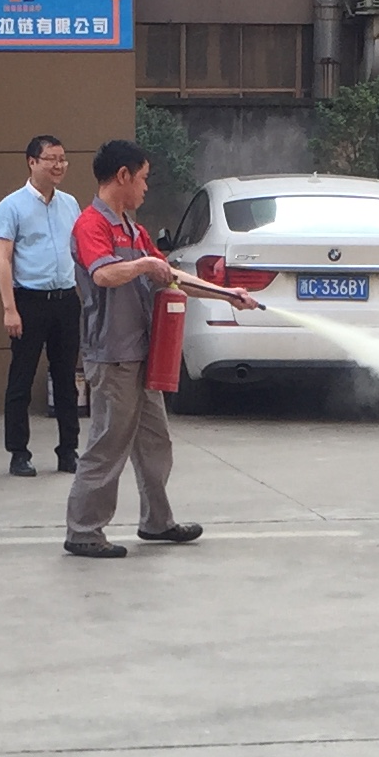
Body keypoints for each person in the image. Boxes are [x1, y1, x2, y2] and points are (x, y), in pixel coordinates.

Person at [64, 139, 244, 560]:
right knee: (108, 443)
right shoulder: (91, 225)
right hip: (112, 353)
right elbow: (104, 275)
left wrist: (227, 294)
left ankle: (157, 521)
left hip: (142, 352)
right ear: (122, 176)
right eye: (143, 178)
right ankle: (84, 531)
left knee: (155, 442)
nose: (146, 188)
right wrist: (145, 265)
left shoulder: (133, 230)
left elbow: (171, 276)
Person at [0, 133, 84, 479]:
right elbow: (3, 259)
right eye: (51, 159)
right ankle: (19, 453)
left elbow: (78, 254)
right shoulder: (11, 206)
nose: (59, 165)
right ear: (32, 162)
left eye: (62, 159)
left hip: (66, 300)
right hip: (29, 300)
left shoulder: (70, 204)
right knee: (21, 377)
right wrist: (9, 308)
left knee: (66, 379)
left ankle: (68, 451)